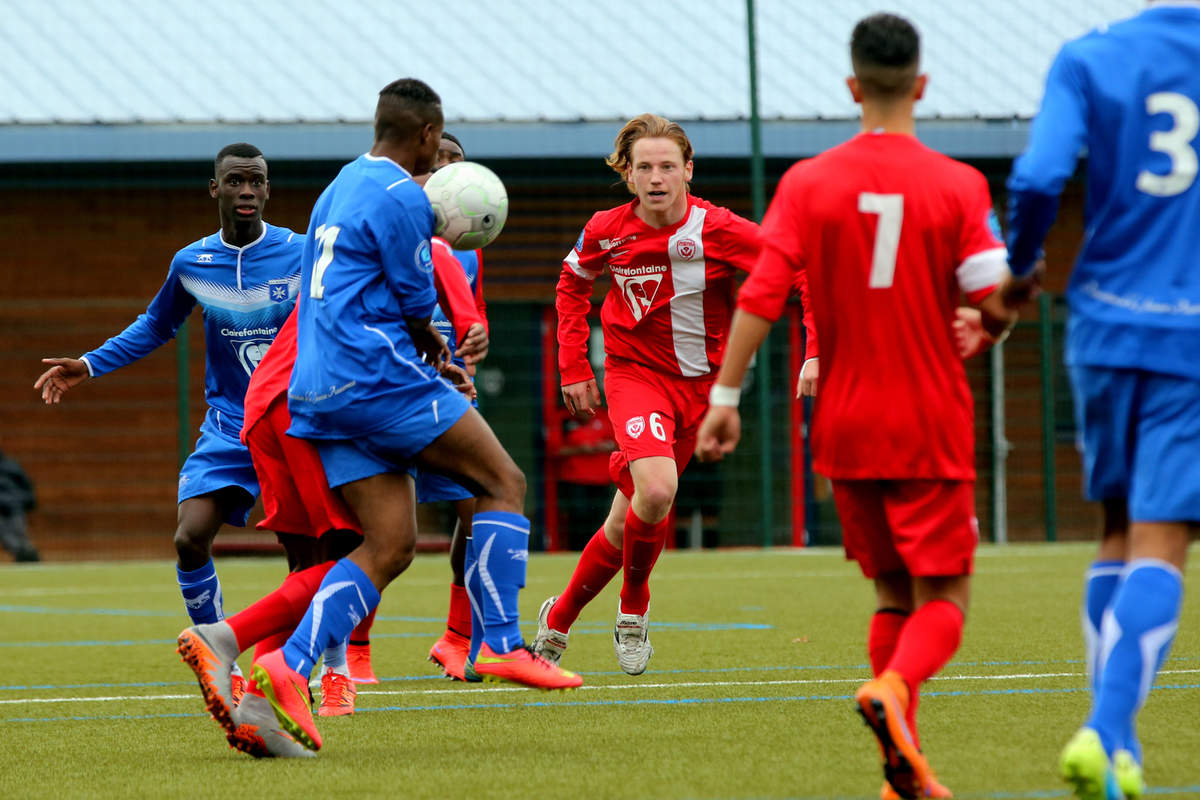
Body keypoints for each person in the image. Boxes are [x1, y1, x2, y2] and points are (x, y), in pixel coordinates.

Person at [694, 14, 1018, 799]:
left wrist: (725, 398)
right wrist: (993, 319)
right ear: (922, 85)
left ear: (851, 87)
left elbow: (763, 295)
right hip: (929, 419)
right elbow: (995, 296)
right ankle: (893, 693)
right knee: (946, 598)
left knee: (890, 594)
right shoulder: (958, 184)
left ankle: (899, 770)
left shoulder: (808, 181)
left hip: (843, 421)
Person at [246, 78, 578, 755]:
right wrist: (437, 353)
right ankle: (500, 644)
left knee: (390, 543)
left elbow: (374, 296)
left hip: (318, 390)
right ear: (427, 135)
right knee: (503, 482)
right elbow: (412, 298)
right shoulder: (404, 196)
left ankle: (290, 662)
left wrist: (434, 354)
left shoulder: (338, 186)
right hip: (375, 379)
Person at [1006, 3, 1200, 797]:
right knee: (1163, 542)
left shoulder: (1091, 55)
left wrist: (1019, 267)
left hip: (1102, 323)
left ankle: (1115, 753)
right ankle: (1107, 729)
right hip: (1190, 334)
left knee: (1116, 530)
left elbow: (1039, 175)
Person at [34, 143, 301, 697]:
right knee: (188, 538)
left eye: (256, 182)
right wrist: (87, 363)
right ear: (215, 189)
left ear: (268, 191)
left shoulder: (302, 255)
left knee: (309, 556)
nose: (246, 191)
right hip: (229, 428)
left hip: (292, 428)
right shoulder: (192, 263)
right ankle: (215, 653)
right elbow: (155, 327)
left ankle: (328, 670)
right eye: (235, 182)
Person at [531, 113, 762, 676]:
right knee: (658, 491)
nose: (656, 177)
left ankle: (556, 618)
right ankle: (633, 610)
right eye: (643, 168)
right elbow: (571, 287)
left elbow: (793, 272)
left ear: (688, 171)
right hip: (635, 377)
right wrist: (573, 366)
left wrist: (815, 351)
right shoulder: (606, 229)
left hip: (701, 389)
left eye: (666, 166)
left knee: (627, 518)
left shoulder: (720, 228)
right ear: (627, 176)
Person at [0, 448, 39, 562]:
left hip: (14, 507)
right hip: (10, 507)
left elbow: (26, 485)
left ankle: (27, 555)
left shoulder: (11, 466)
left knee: (18, 534)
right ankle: (26, 555)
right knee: (8, 536)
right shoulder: (11, 466)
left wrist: (27, 501)